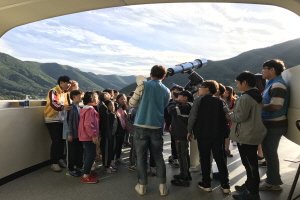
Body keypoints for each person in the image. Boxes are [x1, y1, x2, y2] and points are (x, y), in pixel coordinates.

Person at [129, 65, 170, 196]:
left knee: (141, 156)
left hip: (141, 124)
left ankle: (142, 186)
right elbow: (163, 106)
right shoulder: (167, 90)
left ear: (150, 74)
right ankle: (163, 187)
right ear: (164, 77)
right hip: (157, 126)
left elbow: (131, 103)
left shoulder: (143, 85)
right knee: (158, 156)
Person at [226, 71, 266, 200]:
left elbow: (241, 117)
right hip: (253, 133)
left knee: (250, 165)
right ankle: (249, 185)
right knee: (251, 163)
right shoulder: (257, 95)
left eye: (238, 83)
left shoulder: (245, 97)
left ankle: (252, 194)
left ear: (244, 82)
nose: (237, 85)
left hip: (246, 135)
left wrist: (229, 115)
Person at [187, 80, 230, 194]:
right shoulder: (220, 101)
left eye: (200, 87)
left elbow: (193, 117)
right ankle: (225, 185)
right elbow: (228, 115)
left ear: (206, 89)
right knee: (220, 158)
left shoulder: (198, 100)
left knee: (205, 158)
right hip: (218, 134)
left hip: (203, 134)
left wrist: (189, 131)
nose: (198, 89)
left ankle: (206, 184)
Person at [259, 59, 289, 191]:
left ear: (272, 70)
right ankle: (271, 179)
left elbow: (276, 106)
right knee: (269, 153)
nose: (262, 72)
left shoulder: (278, 85)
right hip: (270, 124)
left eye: (264, 69)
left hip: (275, 124)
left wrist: (258, 107)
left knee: (270, 153)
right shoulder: (271, 84)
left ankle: (274, 183)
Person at [44, 75, 71, 172]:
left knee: (62, 141)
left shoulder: (66, 93)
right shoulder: (53, 91)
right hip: (52, 119)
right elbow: (53, 103)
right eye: (68, 83)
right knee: (56, 141)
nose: (69, 85)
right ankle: (54, 163)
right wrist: (63, 108)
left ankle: (60, 159)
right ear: (61, 83)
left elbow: (68, 104)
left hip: (62, 120)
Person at [167, 90, 193, 187]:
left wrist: (173, 101)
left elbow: (170, 110)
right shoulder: (187, 105)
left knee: (182, 155)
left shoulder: (186, 106)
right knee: (184, 154)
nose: (177, 98)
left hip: (181, 133)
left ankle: (184, 177)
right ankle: (186, 173)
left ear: (185, 98)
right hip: (181, 133)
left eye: (179, 96)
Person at [78, 91, 100, 184]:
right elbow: (88, 124)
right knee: (91, 155)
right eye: (97, 98)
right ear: (93, 99)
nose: (98, 100)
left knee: (88, 154)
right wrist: (94, 135)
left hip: (84, 135)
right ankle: (86, 176)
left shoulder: (85, 109)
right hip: (88, 136)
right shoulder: (90, 110)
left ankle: (87, 171)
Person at [63, 90, 84, 177]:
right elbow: (68, 122)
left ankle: (78, 166)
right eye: (80, 96)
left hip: (78, 135)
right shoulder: (70, 108)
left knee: (79, 151)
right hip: (71, 135)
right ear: (74, 97)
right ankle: (70, 169)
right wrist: (70, 133)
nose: (81, 98)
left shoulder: (79, 108)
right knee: (71, 153)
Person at [165, 85, 183, 168]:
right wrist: (169, 124)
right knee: (173, 142)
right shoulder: (169, 102)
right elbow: (166, 115)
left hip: (182, 126)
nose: (175, 94)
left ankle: (181, 158)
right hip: (172, 126)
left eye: (177, 92)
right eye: (174, 92)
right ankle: (175, 157)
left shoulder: (182, 102)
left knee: (182, 143)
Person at [101, 100, 118, 173]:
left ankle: (109, 163)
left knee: (111, 150)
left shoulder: (113, 114)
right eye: (110, 105)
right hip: (107, 136)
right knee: (106, 151)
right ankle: (106, 167)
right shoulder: (107, 115)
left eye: (113, 105)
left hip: (112, 135)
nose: (113, 107)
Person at [114, 94, 129, 165]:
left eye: (124, 99)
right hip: (117, 130)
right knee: (116, 144)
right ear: (117, 100)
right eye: (121, 99)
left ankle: (118, 158)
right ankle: (114, 159)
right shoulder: (115, 108)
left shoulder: (123, 108)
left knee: (120, 144)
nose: (124, 100)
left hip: (122, 129)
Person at [255, 73, 266, 165]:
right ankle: (262, 156)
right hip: (266, 118)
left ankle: (261, 156)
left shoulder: (256, 93)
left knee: (259, 139)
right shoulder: (266, 90)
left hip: (259, 118)